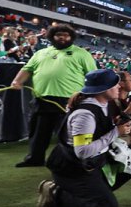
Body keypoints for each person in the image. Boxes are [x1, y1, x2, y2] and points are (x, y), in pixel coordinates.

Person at [36, 69, 131, 207]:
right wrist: (116, 132)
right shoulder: (84, 115)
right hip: (73, 169)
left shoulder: (102, 104)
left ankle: (94, 191)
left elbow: (99, 131)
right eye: (115, 84)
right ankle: (55, 193)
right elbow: (82, 152)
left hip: (89, 164)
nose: (119, 87)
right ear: (102, 89)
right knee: (106, 206)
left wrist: (121, 122)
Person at [10, 24, 98, 167]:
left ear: (71, 37)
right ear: (52, 37)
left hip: (69, 100)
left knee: (69, 135)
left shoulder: (82, 53)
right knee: (38, 132)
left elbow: (93, 75)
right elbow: (27, 68)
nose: (62, 38)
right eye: (58, 35)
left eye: (66, 35)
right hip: (42, 98)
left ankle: (75, 161)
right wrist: (17, 81)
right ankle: (35, 158)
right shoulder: (40, 53)